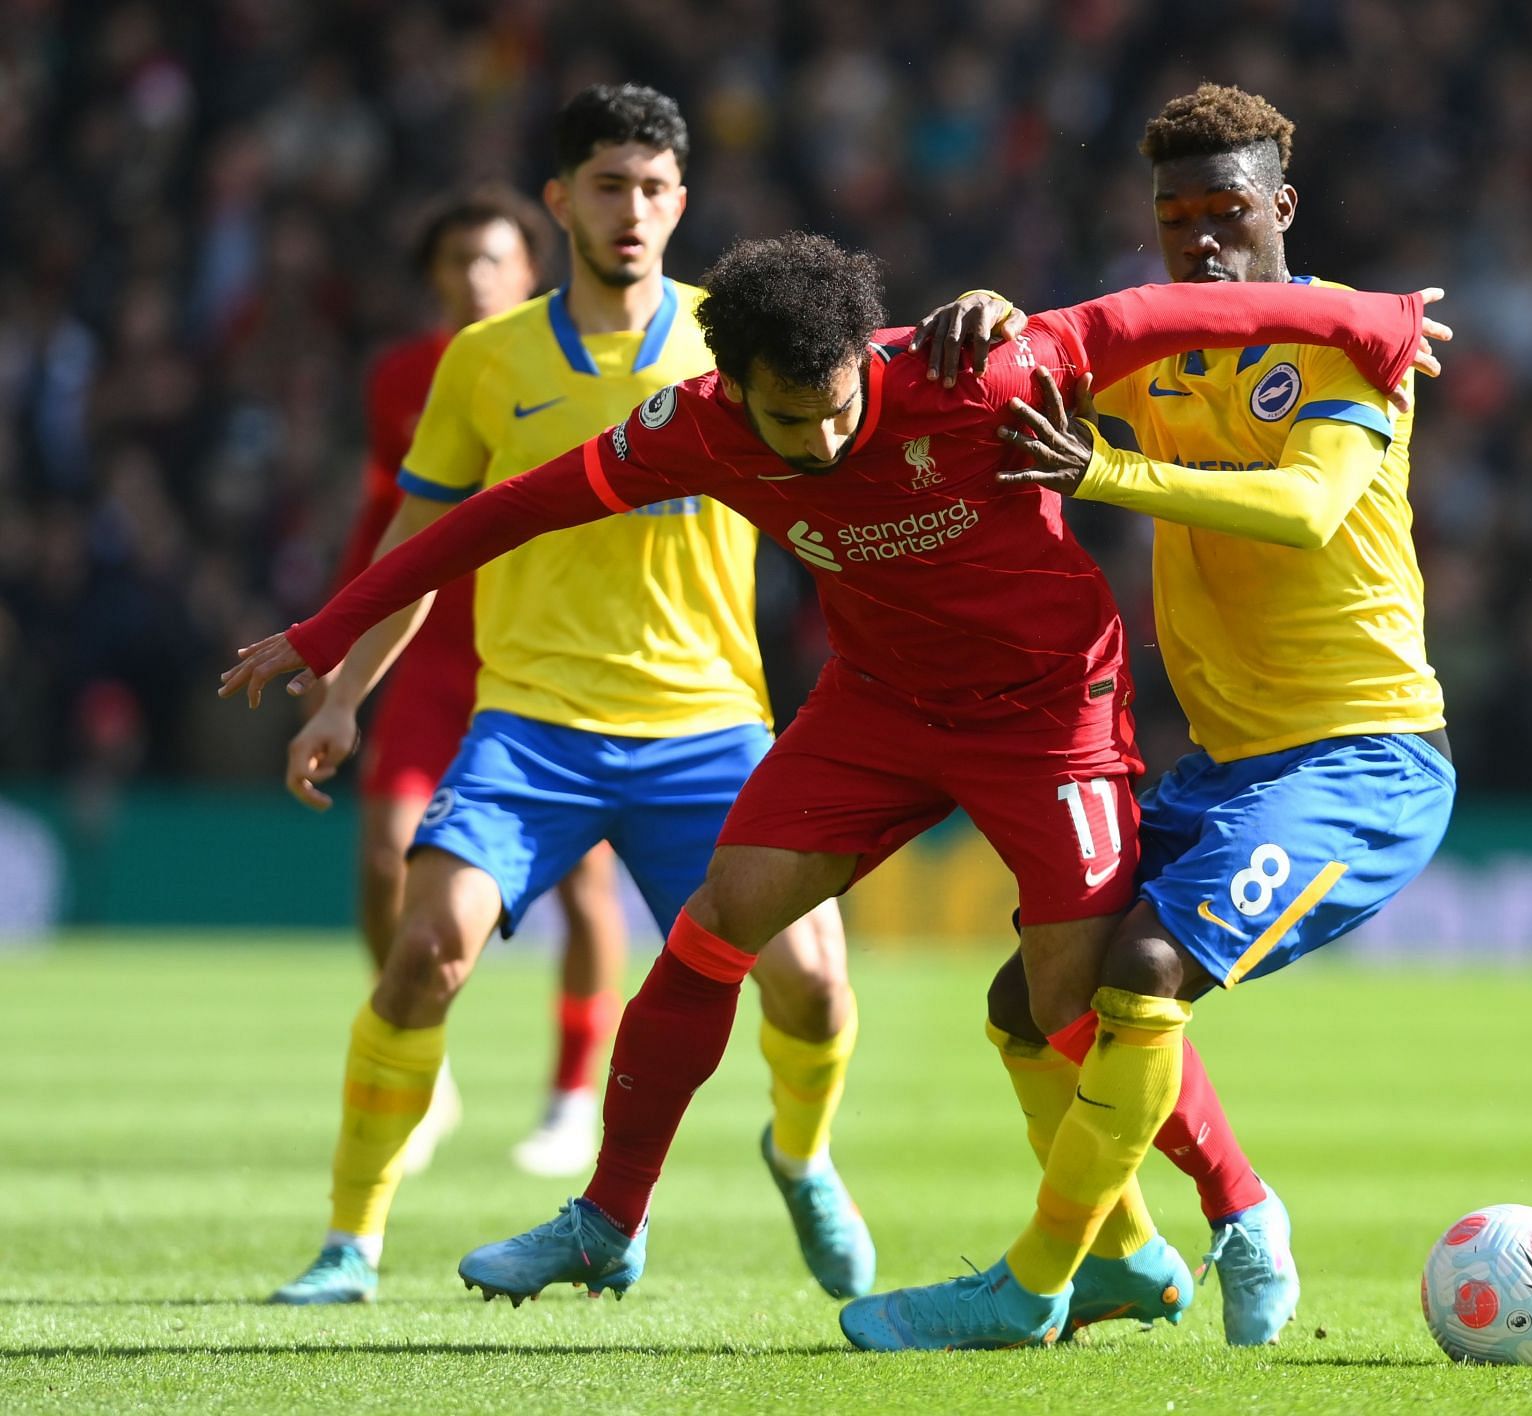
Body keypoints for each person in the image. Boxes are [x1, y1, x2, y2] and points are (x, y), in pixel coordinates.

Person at [220, 229, 1442, 1330]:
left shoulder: (983, 372)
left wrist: (1373, 318)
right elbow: (510, 511)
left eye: (837, 410)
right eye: (786, 422)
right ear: (731, 389)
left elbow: (1165, 317)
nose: (818, 442)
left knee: (1079, 1009)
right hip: (880, 709)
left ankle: (1236, 1213)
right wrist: (328, 632)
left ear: (869, 358)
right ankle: (606, 1222)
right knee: (716, 925)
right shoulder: (690, 426)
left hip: (1049, 714)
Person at [841, 83, 1456, 1351]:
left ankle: (1031, 1283)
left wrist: (1106, 470)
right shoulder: (1160, 353)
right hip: (1231, 766)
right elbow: (1047, 373)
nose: (1203, 242)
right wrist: (1006, 316)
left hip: (1366, 755)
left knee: (1145, 969)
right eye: (1177, 220)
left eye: (1228, 211)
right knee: (1030, 1003)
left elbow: (1305, 511)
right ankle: (1142, 1249)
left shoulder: (1349, 342)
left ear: (1282, 207)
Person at [263, 85, 868, 1309]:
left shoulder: (735, 342)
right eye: (608, 185)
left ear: (683, 201)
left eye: (653, 188)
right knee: (425, 952)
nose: (633, 210)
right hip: (533, 729)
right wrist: (343, 700)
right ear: (560, 201)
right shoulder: (484, 364)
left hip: (709, 729)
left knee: (810, 985)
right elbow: (416, 552)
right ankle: (349, 1243)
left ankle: (800, 1156)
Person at [312, 186, 631, 1183]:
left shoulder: (573, 361)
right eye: (457, 262)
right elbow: (390, 519)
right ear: (433, 278)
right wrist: (341, 642)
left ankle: (574, 1092)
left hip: (545, 652)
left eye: (494, 259)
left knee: (583, 882)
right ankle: (419, 1059)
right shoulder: (402, 377)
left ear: (532, 270)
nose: (475, 277)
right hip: (437, 652)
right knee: (380, 856)